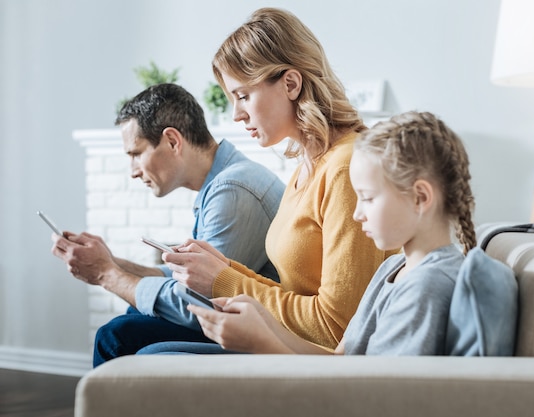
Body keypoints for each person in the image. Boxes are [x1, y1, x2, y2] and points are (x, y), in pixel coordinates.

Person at [135, 7, 396, 356]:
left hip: (313, 359)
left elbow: (337, 327)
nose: (236, 114)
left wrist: (223, 281)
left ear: (290, 83)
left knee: (147, 354)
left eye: (243, 96)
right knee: (130, 337)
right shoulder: (309, 165)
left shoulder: (346, 167)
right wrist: (224, 268)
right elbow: (295, 291)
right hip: (288, 342)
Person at [151, 110, 477, 355]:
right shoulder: (393, 268)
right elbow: (340, 360)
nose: (357, 212)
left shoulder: (428, 287)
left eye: (368, 198)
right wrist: (262, 322)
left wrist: (263, 343)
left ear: (420, 197)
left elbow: (373, 396)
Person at [51, 83, 285, 366]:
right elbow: (186, 278)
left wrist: (106, 274)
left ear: (173, 141)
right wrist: (111, 261)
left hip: (264, 330)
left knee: (114, 336)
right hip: (242, 316)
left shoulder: (232, 189)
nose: (134, 171)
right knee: (133, 314)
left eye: (136, 153)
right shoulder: (222, 182)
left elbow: (199, 304)